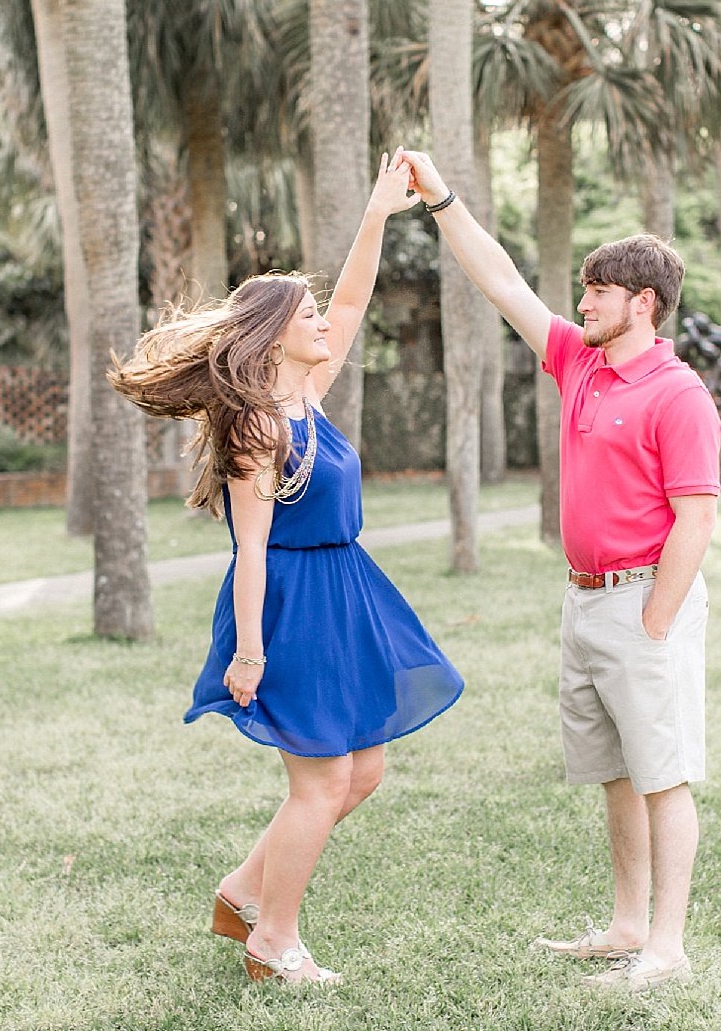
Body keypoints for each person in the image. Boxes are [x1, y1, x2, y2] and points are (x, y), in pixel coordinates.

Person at [107, 153, 464, 986]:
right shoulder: (259, 427)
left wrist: (378, 213)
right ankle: (273, 935)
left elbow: (351, 297)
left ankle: (240, 891)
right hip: (293, 602)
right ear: (272, 335)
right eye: (305, 317)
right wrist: (252, 650)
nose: (322, 325)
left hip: (349, 593)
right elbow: (253, 547)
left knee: (361, 771)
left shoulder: (310, 392)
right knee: (322, 780)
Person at [396, 150, 720, 994]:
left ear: (641, 303)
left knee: (664, 772)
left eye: (598, 293)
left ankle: (668, 946)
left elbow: (697, 517)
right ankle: (625, 923)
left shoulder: (678, 393)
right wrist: (442, 201)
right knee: (615, 772)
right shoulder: (579, 361)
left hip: (645, 601)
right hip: (583, 604)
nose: (581, 305)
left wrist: (656, 620)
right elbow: (502, 283)